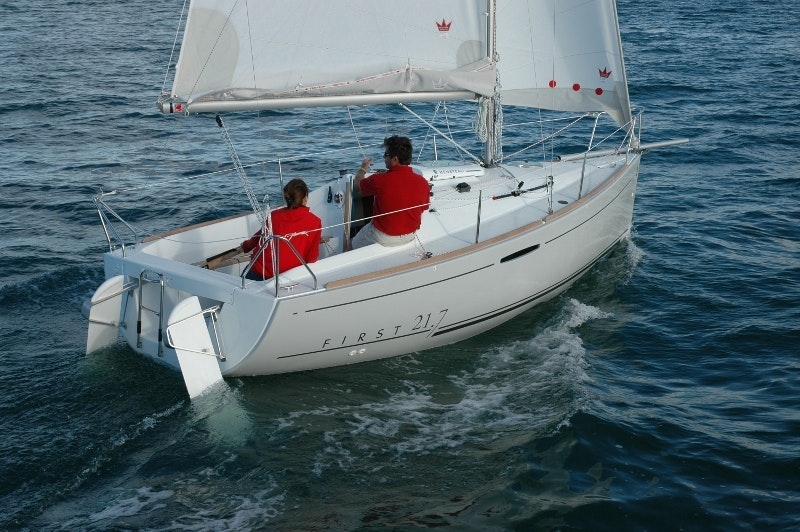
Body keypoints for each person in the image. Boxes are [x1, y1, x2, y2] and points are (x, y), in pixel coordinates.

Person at [351, 135, 430, 249]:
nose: (384, 158)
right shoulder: (423, 182)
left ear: (395, 159)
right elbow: (424, 207)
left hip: (384, 236)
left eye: (386, 155)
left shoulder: (379, 180)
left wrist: (362, 168)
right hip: (410, 235)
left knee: (351, 243)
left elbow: (357, 186)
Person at [241, 178, 322, 281]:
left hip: (258, 271)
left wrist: (246, 246)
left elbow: (260, 236)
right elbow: (312, 258)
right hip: (287, 276)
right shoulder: (315, 222)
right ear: (305, 197)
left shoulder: (273, 216)